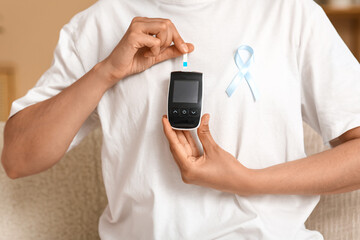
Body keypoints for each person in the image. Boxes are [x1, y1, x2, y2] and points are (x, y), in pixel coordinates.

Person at [1, 0, 360, 239]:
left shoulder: (291, 13)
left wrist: (247, 180)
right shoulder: (99, 23)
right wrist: (105, 72)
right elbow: (17, 158)